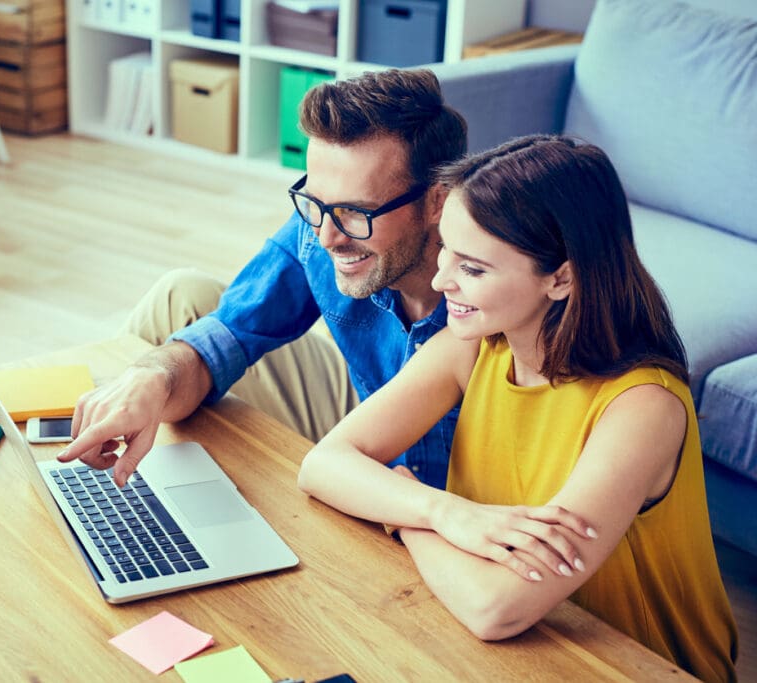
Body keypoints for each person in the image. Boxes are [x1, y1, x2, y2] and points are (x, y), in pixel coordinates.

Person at [297, 134, 738, 682]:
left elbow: (497, 608)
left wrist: (404, 512)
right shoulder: (475, 346)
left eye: (473, 269)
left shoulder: (642, 408)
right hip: (515, 646)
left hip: (623, 663)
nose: (440, 280)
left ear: (561, 277)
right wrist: (443, 512)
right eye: (446, 253)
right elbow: (324, 464)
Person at [58, 68, 470, 489]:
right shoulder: (322, 229)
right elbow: (231, 331)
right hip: (363, 410)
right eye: (315, 203)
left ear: (437, 200)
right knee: (183, 296)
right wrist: (153, 378)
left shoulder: (496, 285)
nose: (328, 237)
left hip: (457, 489)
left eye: (356, 212)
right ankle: (109, 464)